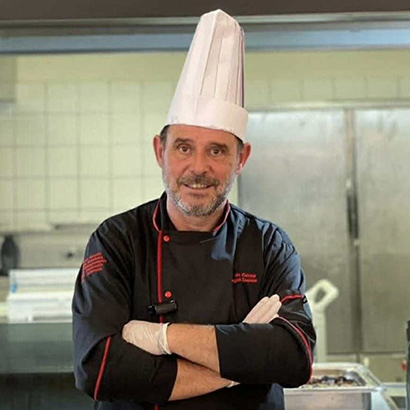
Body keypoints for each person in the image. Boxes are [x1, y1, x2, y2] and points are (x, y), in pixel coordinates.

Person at [72, 9, 316, 410]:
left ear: (241, 159)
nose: (198, 168)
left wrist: (161, 337)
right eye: (184, 147)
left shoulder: (269, 244)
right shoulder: (117, 240)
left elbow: (294, 358)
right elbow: (99, 368)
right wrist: (241, 360)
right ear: (160, 151)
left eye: (217, 151)